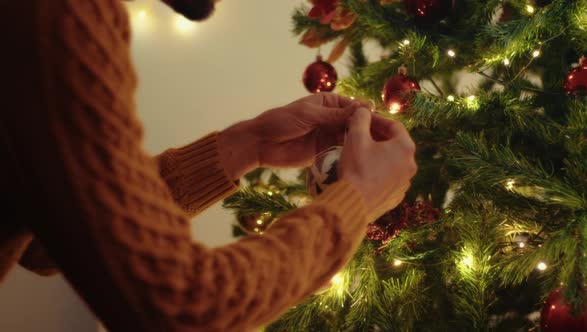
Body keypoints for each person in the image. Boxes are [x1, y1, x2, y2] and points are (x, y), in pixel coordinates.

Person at [0, 0, 417, 331]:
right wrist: (355, 203)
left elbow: (46, 237)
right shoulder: (59, 16)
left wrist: (246, 145)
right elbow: (181, 310)